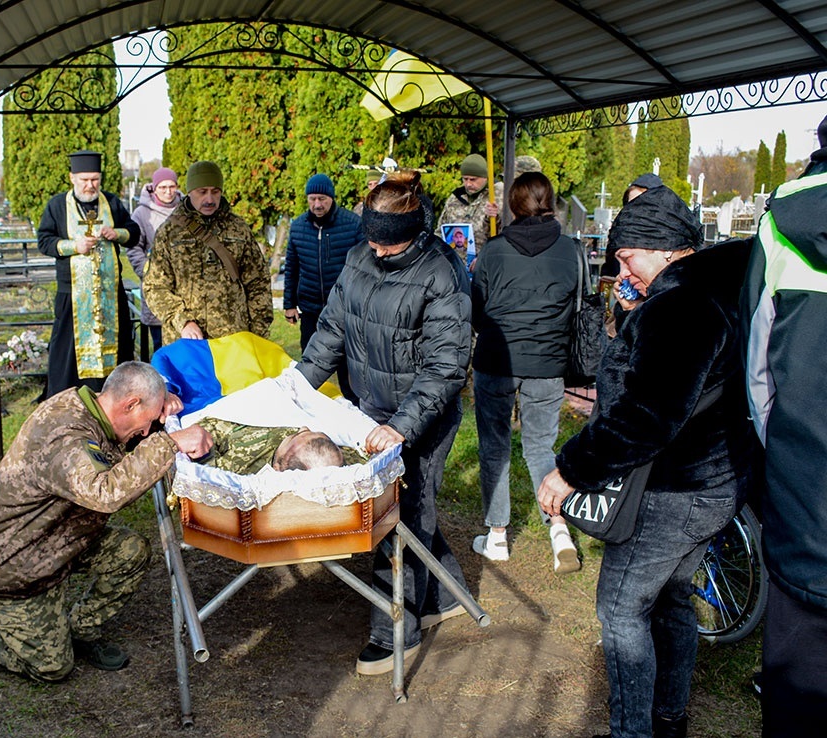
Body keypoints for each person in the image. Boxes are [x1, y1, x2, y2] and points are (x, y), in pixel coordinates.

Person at [536, 186, 756, 738]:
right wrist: (638, 316)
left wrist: (569, 470)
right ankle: (668, 715)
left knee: (620, 610)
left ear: (664, 249)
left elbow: (646, 417)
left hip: (673, 489)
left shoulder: (683, 305)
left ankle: (633, 729)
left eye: (628, 253)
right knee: (672, 600)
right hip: (713, 482)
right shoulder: (708, 290)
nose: (621, 264)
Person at [0, 361, 212, 681]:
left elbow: (123, 437)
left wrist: (159, 404)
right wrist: (170, 443)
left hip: (58, 539)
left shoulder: (96, 408)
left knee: (131, 550)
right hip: (13, 563)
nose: (147, 430)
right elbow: (105, 491)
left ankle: (78, 632)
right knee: (51, 666)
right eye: (147, 420)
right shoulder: (66, 433)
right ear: (130, 403)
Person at [296, 170, 472, 676]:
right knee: (404, 513)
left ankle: (394, 631)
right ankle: (444, 593)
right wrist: (299, 387)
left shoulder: (443, 271)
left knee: (402, 516)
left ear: (414, 235)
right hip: (370, 408)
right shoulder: (357, 257)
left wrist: (402, 425)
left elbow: (445, 366)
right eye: (372, 243)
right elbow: (332, 328)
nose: (379, 252)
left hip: (424, 416)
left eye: (389, 247)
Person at [742, 115, 827, 738]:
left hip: (804, 491)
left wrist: (784, 459)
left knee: (799, 686)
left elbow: (758, 371)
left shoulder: (781, 220)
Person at [470, 172, 580, 572]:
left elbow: (476, 310)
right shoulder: (571, 250)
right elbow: (577, 306)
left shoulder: (494, 251)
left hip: (497, 359)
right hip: (547, 362)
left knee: (494, 447)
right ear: (549, 201)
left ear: (514, 205)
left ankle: (497, 537)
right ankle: (559, 529)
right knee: (540, 447)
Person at [37, 150, 140, 399]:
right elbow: (44, 241)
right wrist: (75, 246)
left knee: (116, 347)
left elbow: (133, 232)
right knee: (67, 351)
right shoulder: (57, 206)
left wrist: (117, 233)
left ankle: (113, 395)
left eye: (94, 179)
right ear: (72, 178)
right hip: (72, 292)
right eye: (84, 180)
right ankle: (66, 396)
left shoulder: (112, 203)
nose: (90, 185)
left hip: (109, 294)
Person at [143, 161, 272, 344]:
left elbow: (258, 283)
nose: (210, 199)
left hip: (234, 343)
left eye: (215, 191)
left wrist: (258, 336)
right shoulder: (169, 232)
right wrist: (183, 321)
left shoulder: (238, 229)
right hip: (188, 343)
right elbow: (155, 287)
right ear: (189, 191)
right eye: (202, 192)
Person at [282, 173, 363, 402]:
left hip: (345, 311)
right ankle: (311, 411)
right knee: (311, 365)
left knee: (349, 372)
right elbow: (292, 266)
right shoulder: (298, 227)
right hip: (310, 309)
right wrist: (289, 304)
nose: (317, 204)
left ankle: (356, 412)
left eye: (322, 199)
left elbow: (363, 267)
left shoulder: (352, 225)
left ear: (331, 198)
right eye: (312, 199)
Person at [129, 166, 181, 355]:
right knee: (162, 347)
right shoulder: (142, 214)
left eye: (172, 187)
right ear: (154, 188)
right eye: (163, 188)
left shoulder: (188, 210)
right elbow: (134, 248)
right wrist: (149, 272)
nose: (168, 192)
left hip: (186, 287)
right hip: (157, 286)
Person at [196, 417, 344, 474]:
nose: (303, 427)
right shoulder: (338, 459)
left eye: (296, 435)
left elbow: (205, 435)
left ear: (278, 468)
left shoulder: (239, 464)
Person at [436, 153, 498, 261]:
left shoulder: (495, 198)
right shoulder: (454, 199)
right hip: (455, 265)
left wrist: (496, 217)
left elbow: (504, 236)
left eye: (473, 179)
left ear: (485, 178)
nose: (468, 184)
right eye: (465, 179)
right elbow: (440, 232)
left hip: (483, 266)